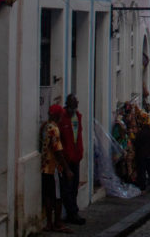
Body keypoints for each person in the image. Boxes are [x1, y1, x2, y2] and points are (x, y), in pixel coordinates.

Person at [40, 106, 73, 234]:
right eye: (60, 115)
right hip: (53, 168)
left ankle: (49, 223)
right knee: (58, 196)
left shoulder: (45, 127)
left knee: (48, 196)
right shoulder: (54, 129)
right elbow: (58, 151)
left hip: (44, 167)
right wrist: (67, 169)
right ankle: (57, 223)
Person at [57, 94, 85, 225]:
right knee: (67, 188)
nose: (74, 107)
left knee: (74, 187)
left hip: (76, 158)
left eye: (75, 105)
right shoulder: (62, 119)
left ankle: (72, 212)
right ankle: (72, 213)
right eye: (72, 105)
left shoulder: (77, 117)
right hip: (66, 159)